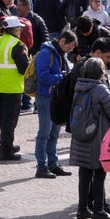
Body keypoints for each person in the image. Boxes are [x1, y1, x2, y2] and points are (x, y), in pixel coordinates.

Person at [70, 57, 110, 219]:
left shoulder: (79, 87)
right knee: (99, 173)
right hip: (97, 138)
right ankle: (99, 211)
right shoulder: (100, 89)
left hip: (80, 137)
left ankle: (82, 209)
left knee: (84, 173)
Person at [34, 30, 76, 178]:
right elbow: (43, 77)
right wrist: (62, 76)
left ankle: (53, 164)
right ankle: (41, 167)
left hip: (56, 98)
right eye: (69, 47)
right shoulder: (46, 53)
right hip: (46, 97)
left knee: (54, 134)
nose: (69, 51)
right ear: (62, 41)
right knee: (44, 133)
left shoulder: (60, 54)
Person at [0, 16, 29, 161]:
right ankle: (6, 150)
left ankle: (7, 145)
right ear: (14, 29)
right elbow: (24, 68)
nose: (20, 30)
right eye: (19, 28)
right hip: (12, 87)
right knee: (10, 121)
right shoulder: (17, 45)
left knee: (4, 120)